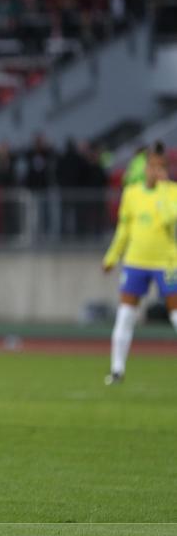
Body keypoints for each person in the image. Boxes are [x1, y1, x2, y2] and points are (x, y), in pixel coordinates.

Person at [103, 143, 177, 384]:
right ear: (145, 167)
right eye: (152, 166)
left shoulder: (172, 192)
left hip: (166, 262)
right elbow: (123, 229)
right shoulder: (132, 193)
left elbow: (170, 218)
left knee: (175, 314)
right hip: (135, 261)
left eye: (160, 166)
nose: (155, 171)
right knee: (125, 315)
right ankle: (117, 370)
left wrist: (164, 188)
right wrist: (112, 257)